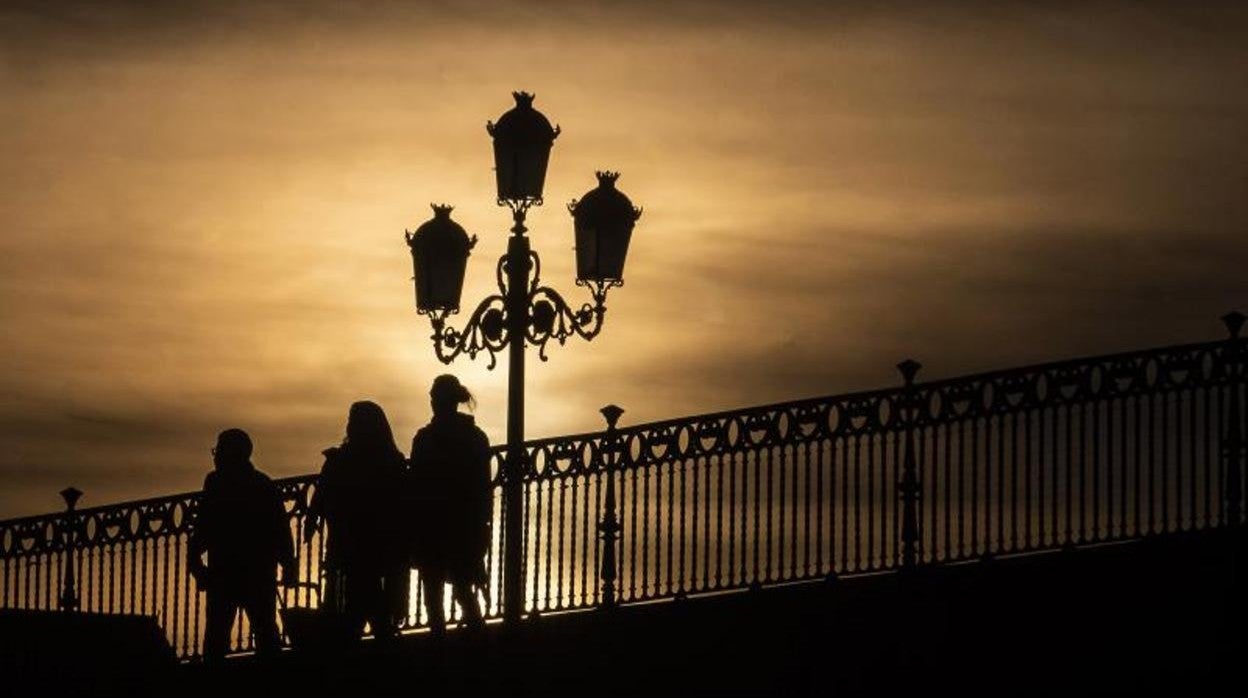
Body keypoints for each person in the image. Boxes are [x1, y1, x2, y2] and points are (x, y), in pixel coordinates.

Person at [304, 400, 409, 641]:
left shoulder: (339, 460)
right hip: (374, 547)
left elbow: (322, 494)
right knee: (370, 604)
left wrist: (312, 520)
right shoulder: (390, 460)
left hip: (350, 546)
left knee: (350, 609)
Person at [188, 428, 295, 662]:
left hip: (225, 572)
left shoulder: (215, 483)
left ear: (229, 454)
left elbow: (204, 527)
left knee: (218, 637)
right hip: (256, 571)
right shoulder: (263, 484)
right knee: (265, 630)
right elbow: (280, 530)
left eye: (218, 450)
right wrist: (288, 564)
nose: (215, 456)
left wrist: (196, 563)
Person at [408, 375, 492, 636]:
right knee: (464, 590)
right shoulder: (476, 437)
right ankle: (477, 642)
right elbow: (482, 487)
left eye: (434, 396)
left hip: (435, 527)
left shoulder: (424, 439)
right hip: (463, 526)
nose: (432, 401)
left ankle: (440, 647)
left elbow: (416, 485)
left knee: (434, 593)